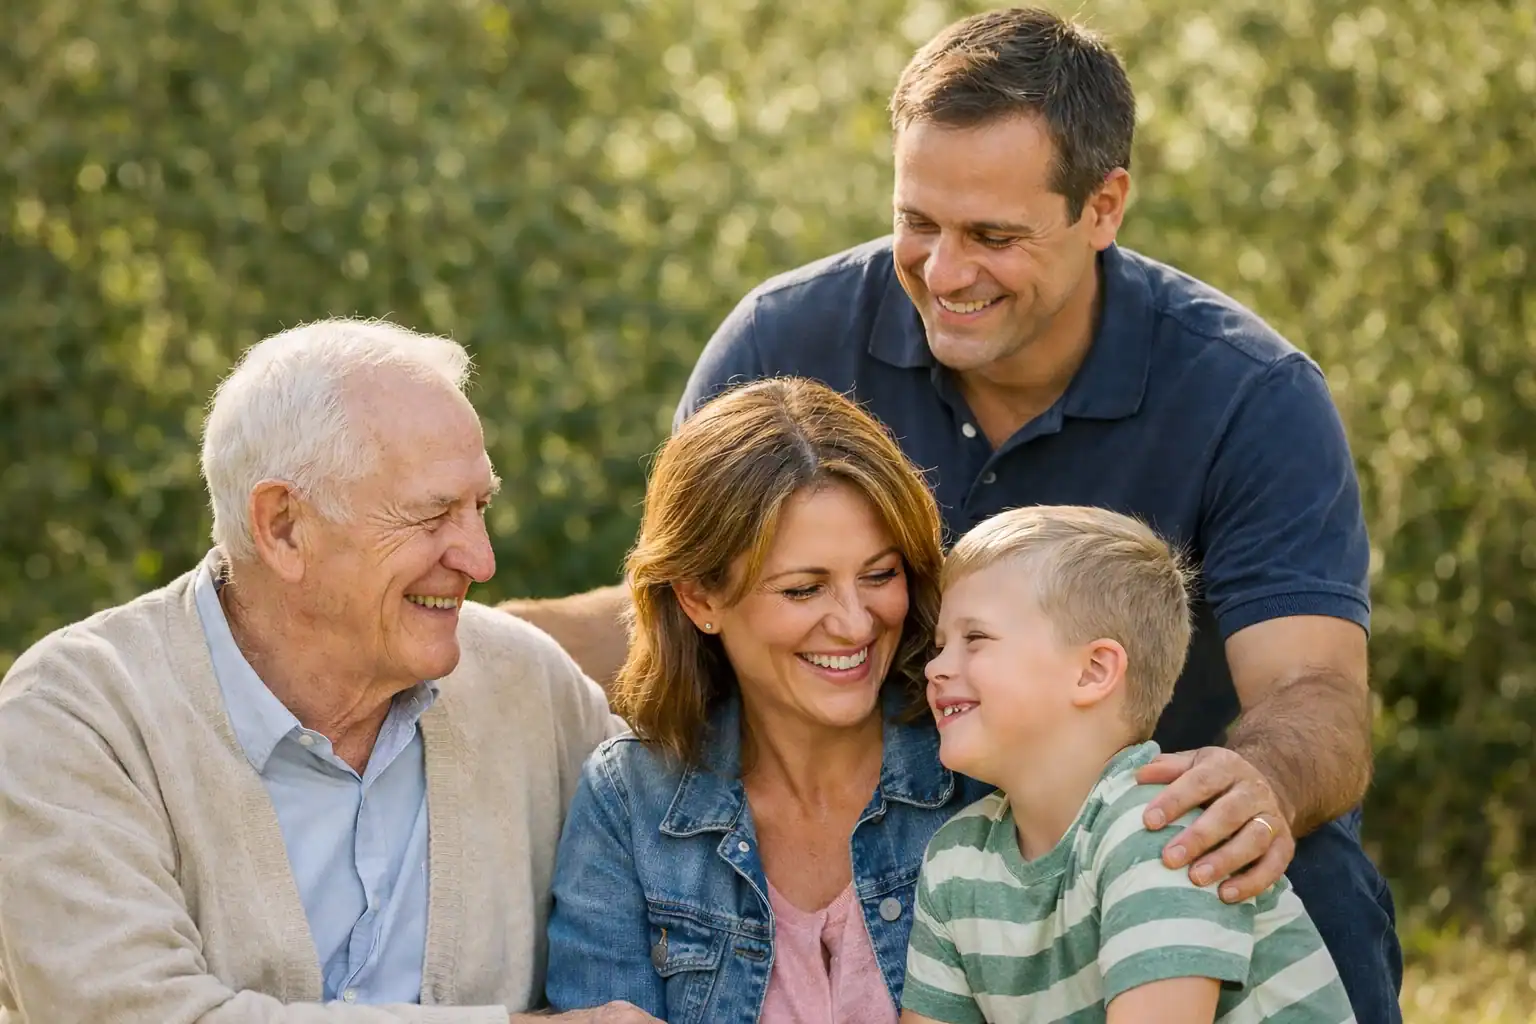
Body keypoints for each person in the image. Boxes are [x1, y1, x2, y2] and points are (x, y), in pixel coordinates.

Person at [506, 8, 1401, 1021]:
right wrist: (458, 637)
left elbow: (1314, 687)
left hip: (1147, 821)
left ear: (1104, 206)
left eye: (992, 235)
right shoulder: (784, 341)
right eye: (917, 222)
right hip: (932, 814)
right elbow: (687, 600)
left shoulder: (1249, 393)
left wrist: (1257, 787)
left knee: (1295, 865)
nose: (943, 271)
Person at [0, 319, 657, 1023]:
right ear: (283, 526)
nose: (480, 558)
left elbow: (699, 872)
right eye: (433, 514)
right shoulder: (71, 721)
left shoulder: (533, 690)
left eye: (479, 507)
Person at [543, 377, 994, 1023]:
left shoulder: (984, 770)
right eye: (804, 589)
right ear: (699, 599)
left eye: (879, 575)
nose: (856, 624)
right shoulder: (630, 803)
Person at [903, 504, 1355, 1024]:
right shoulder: (956, 861)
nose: (936, 668)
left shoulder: (1165, 826)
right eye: (940, 646)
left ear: (1094, 671)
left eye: (974, 639)